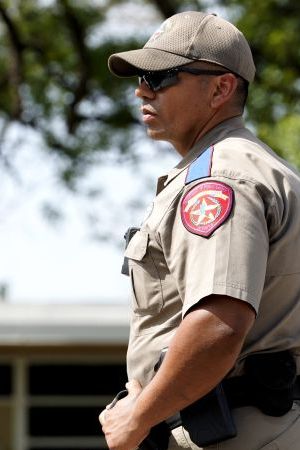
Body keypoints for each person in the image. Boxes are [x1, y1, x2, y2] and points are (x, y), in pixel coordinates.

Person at [99, 10, 300, 450]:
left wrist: (138, 416)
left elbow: (218, 322)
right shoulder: (255, 166)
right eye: (141, 78)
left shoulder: (220, 179)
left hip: (233, 431)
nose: (141, 90)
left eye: (161, 77)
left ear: (221, 88)